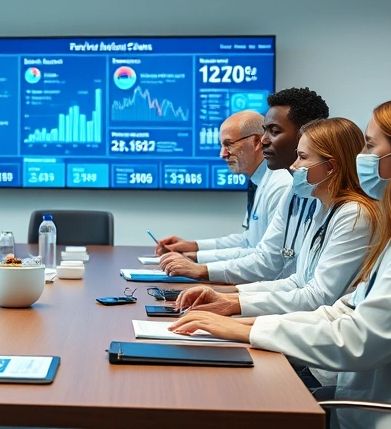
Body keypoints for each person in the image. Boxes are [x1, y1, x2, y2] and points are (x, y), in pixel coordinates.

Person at [170, 95, 391, 429]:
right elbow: (348, 309)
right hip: (371, 402)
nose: (363, 155)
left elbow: (360, 340)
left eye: (370, 145)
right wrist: (243, 320)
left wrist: (247, 329)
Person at [175, 117, 377, 317]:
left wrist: (234, 303)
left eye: (303, 157)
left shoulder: (354, 215)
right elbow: (298, 281)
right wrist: (228, 296)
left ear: (330, 167)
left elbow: (317, 296)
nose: (293, 166)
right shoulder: (323, 208)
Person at [160, 87, 330, 283]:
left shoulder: (283, 185)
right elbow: (255, 246)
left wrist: (202, 268)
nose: (265, 140)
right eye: (266, 130)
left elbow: (273, 267)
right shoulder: (291, 190)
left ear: (305, 137)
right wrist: (195, 252)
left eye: (274, 132)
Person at [155, 110, 292, 263]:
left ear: (257, 142)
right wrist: (193, 247)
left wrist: (196, 259)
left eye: (228, 144)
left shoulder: (280, 186)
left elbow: (268, 258)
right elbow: (248, 241)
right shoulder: (259, 182)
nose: (223, 154)